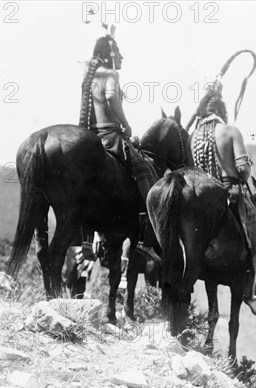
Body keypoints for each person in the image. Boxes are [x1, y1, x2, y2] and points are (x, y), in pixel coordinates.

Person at [188, 83, 256, 318]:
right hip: (230, 193)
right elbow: (242, 169)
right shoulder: (230, 131)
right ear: (222, 110)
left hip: (200, 197)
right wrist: (246, 168)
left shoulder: (193, 136)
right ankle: (251, 293)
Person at [80, 35, 160, 262]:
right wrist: (126, 123)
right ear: (110, 54)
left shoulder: (90, 78)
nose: (122, 56)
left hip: (93, 137)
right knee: (144, 170)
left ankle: (87, 239)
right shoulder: (111, 74)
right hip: (111, 137)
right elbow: (112, 98)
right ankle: (148, 237)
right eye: (119, 52)